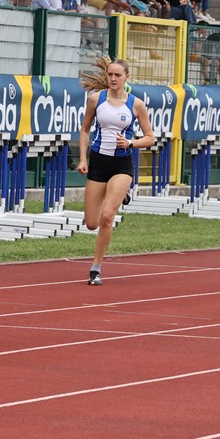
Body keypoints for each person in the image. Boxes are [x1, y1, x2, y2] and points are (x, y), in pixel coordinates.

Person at [77, 57, 155, 286]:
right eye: (110, 74)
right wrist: (83, 159)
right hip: (98, 162)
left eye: (118, 75)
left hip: (122, 165)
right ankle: (120, 195)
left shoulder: (136, 104)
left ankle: (96, 268)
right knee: (91, 223)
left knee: (107, 217)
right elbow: (85, 129)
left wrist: (130, 143)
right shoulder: (96, 99)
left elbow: (150, 138)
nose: (113, 78)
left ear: (126, 77)